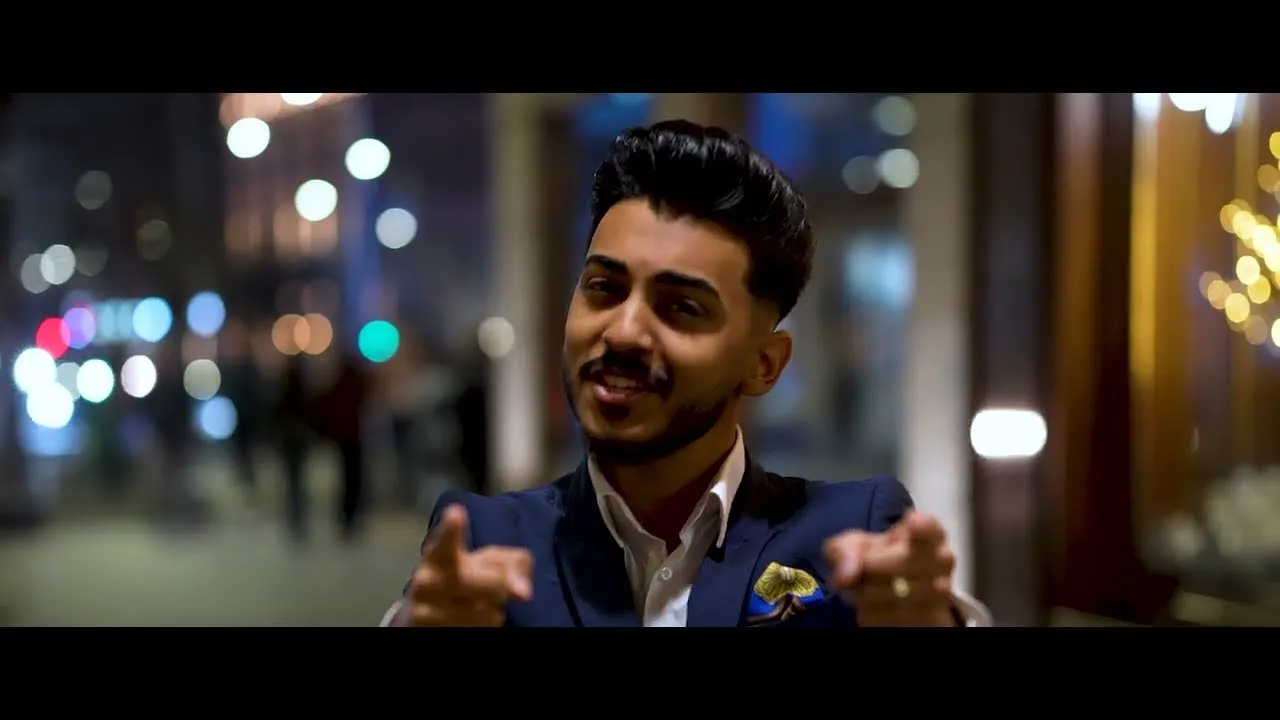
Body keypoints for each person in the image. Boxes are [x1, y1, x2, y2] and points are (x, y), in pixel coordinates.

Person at [382, 119, 993, 628]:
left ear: (764, 364)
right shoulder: (486, 546)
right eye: (604, 287)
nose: (624, 331)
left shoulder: (849, 535)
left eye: (681, 308)